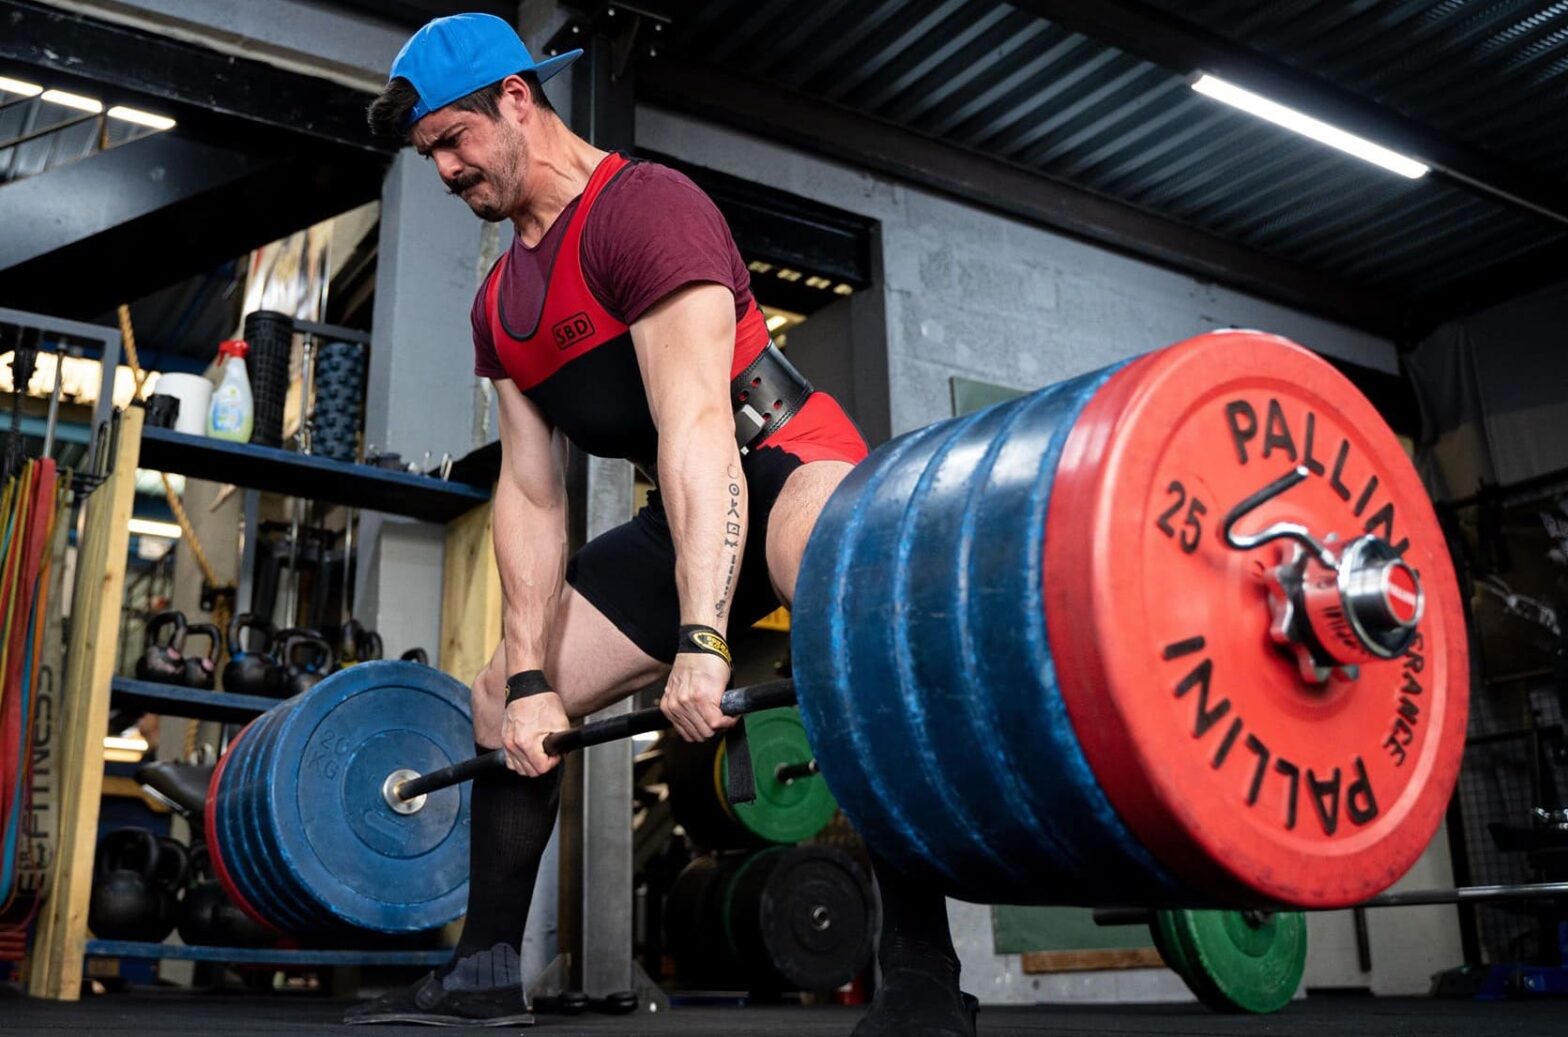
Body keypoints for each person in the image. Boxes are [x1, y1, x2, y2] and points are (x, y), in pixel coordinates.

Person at [350, 14, 976, 1036]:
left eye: (453, 140)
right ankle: (482, 974)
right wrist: (531, 679)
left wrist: (702, 638)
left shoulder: (644, 209)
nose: (447, 170)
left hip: (785, 463)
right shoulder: (499, 303)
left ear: (516, 99)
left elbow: (699, 430)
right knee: (493, 699)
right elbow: (530, 495)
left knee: (840, 618)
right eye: (430, 156)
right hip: (680, 508)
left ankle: (922, 973)